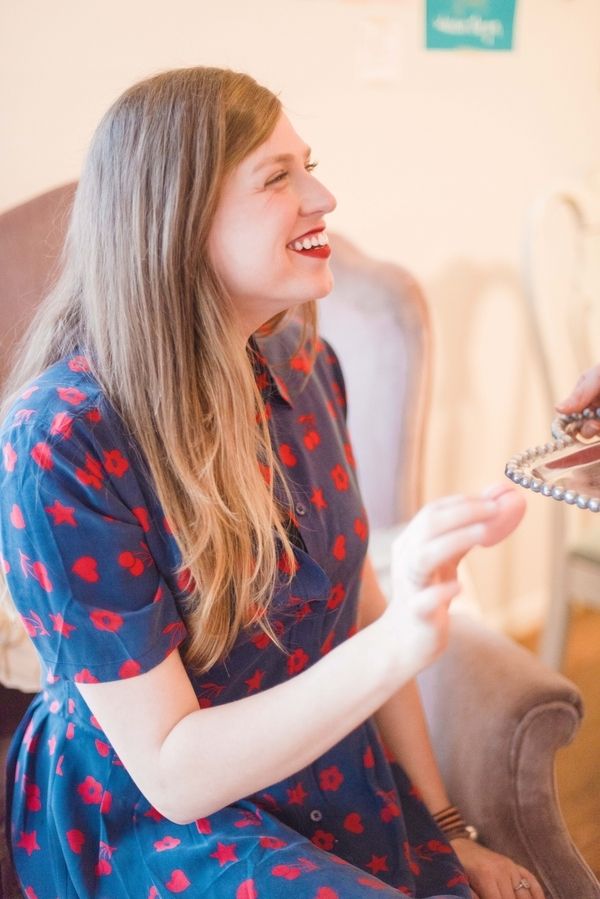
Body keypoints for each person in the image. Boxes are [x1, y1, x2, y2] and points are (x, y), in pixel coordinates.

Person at [0, 67, 543, 899]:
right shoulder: (59, 443)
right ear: (177, 219)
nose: (322, 196)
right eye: (277, 177)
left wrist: (446, 830)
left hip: (323, 771)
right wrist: (406, 633)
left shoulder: (305, 366)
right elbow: (174, 773)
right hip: (155, 819)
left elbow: (352, 606)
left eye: (309, 164)